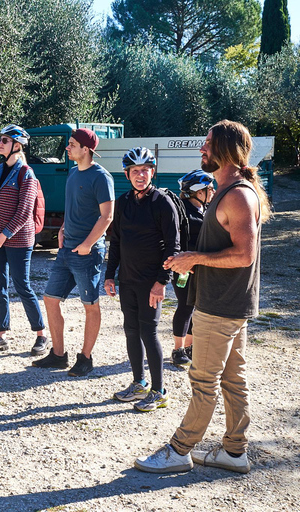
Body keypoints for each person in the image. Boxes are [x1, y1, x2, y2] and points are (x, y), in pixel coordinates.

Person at [135, 120, 270, 474]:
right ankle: (234, 452)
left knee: (203, 381)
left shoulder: (239, 194)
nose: (202, 149)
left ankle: (180, 450)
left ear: (225, 149)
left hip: (221, 305)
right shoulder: (228, 190)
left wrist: (195, 258)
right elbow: (226, 249)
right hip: (227, 302)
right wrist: (192, 262)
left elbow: (245, 255)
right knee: (232, 379)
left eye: (208, 144)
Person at [33, 128, 114, 376]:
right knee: (50, 299)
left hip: (87, 253)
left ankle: (85, 358)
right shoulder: (71, 173)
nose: (67, 148)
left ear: (86, 149)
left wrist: (88, 244)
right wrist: (64, 228)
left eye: (71, 144)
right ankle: (58, 355)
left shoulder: (101, 177)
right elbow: (73, 207)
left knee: (90, 305)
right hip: (66, 249)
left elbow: (107, 216)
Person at [105, 147, 180, 412]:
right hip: (127, 280)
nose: (141, 175)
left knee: (149, 332)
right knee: (131, 330)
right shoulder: (123, 201)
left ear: (153, 171)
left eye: (146, 169)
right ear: (127, 174)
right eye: (135, 170)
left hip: (151, 283)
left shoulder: (162, 202)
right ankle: (139, 383)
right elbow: (116, 241)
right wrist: (109, 274)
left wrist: (162, 282)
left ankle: (159, 391)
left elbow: (174, 246)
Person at [0, 124, 48, 356]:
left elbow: (25, 210)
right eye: (0, 139)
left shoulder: (26, 173)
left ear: (17, 146)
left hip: (18, 240)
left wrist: (4, 234)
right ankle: (1, 336)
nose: (0, 143)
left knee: (22, 285)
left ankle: (41, 335)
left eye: (5, 140)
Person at [170, 170, 216, 368]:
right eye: (209, 189)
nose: (213, 191)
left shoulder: (204, 209)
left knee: (197, 307)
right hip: (184, 269)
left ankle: (189, 346)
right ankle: (177, 349)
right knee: (185, 306)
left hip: (201, 268)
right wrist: (183, 262)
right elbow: (174, 240)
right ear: (198, 192)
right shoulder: (182, 212)